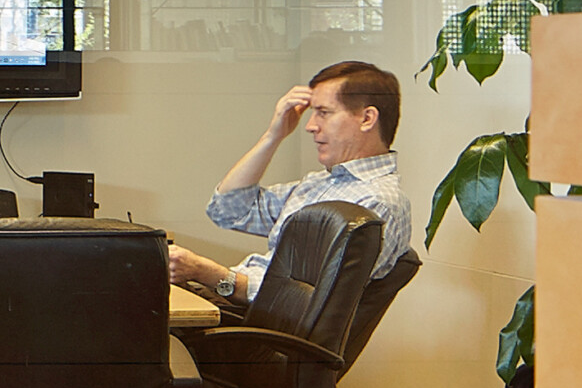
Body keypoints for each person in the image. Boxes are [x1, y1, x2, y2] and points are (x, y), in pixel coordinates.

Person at [168, 60, 413, 309]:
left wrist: (205, 272)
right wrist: (274, 136)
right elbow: (228, 212)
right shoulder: (321, 183)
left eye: (324, 112)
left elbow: (301, 299)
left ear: (367, 118)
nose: (310, 126)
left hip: (262, 328)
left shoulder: (377, 202)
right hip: (243, 307)